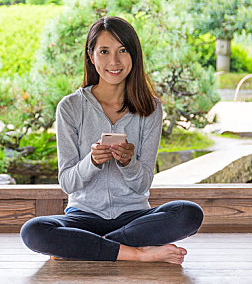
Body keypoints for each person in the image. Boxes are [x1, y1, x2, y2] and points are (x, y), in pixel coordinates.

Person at [20, 16, 203, 264]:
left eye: (123, 50)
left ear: (134, 55)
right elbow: (67, 183)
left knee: (189, 214)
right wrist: (92, 162)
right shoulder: (71, 107)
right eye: (104, 51)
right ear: (91, 56)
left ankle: (84, 247)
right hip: (83, 217)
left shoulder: (150, 108)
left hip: (134, 217)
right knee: (33, 231)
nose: (114, 61)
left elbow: (143, 184)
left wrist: (129, 163)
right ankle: (136, 253)